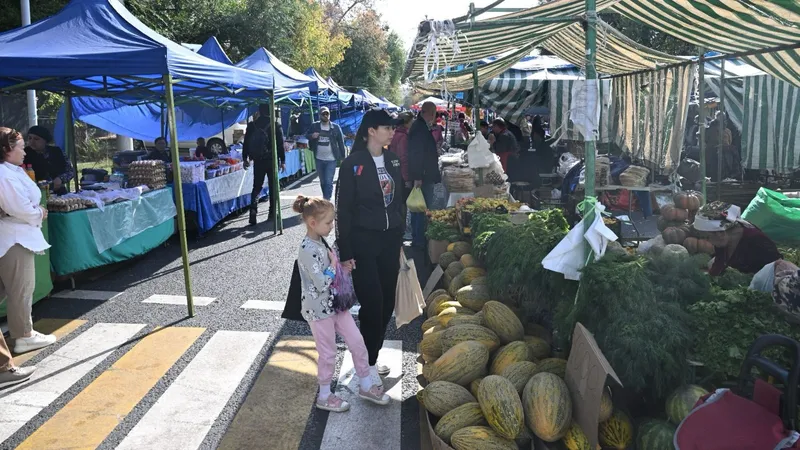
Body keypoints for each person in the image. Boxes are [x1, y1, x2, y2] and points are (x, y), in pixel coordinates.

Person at [292, 195, 390, 412]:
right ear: (312, 223)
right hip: (319, 310)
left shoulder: (320, 241)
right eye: (328, 222)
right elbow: (320, 283)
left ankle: (365, 384)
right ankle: (324, 395)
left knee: (357, 342)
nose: (331, 226)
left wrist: (342, 268)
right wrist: (334, 265)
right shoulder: (307, 249)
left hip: (337, 304)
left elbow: (331, 275)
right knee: (328, 353)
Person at [335, 108, 404, 380]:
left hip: (389, 241)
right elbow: (343, 210)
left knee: (387, 303)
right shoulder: (352, 163)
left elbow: (399, 203)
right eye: (386, 127)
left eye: (392, 127)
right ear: (371, 131)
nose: (392, 130)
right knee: (372, 303)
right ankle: (368, 364)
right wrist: (345, 251)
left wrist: (400, 239)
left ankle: (371, 356)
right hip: (363, 243)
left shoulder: (394, 161)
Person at [0, 127, 57, 354]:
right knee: (20, 289)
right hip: (15, 238)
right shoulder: (4, 173)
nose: (25, 152)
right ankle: (24, 335)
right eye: (21, 148)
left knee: (9, 288)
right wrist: (39, 213)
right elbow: (18, 207)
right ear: (7, 149)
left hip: (16, 235)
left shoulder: (12, 170)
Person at [691, 201, 782, 276]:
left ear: (720, 233)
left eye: (707, 237)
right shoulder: (724, 239)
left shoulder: (755, 240)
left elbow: (777, 267)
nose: (708, 241)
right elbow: (719, 262)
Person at [243, 104, 286, 226]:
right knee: (273, 187)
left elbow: (246, 143)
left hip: (258, 161)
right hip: (271, 160)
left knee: (257, 186)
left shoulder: (252, 125)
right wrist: (283, 161)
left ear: (259, 112)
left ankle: (253, 209)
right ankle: (272, 213)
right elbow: (280, 145)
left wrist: (244, 158)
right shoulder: (276, 125)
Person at [408, 101, 440, 248]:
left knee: (419, 209)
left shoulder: (420, 127)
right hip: (423, 176)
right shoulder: (419, 128)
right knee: (420, 209)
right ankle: (419, 240)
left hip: (424, 175)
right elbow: (416, 154)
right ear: (429, 113)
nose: (433, 117)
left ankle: (418, 238)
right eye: (433, 114)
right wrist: (418, 177)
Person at [306, 106, 347, 201]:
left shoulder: (335, 127)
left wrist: (343, 157)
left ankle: (326, 201)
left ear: (329, 115)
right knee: (323, 182)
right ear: (320, 115)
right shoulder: (315, 126)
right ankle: (326, 200)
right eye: (323, 114)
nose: (325, 116)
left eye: (327, 113)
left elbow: (341, 142)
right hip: (319, 158)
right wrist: (312, 135)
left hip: (331, 159)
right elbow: (306, 135)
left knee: (328, 181)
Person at [23, 125, 73, 195]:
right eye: (30, 138)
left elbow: (70, 171)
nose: (32, 142)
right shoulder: (24, 154)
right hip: (36, 194)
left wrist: (60, 179)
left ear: (45, 140)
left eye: (36, 139)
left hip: (59, 194)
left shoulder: (57, 151)